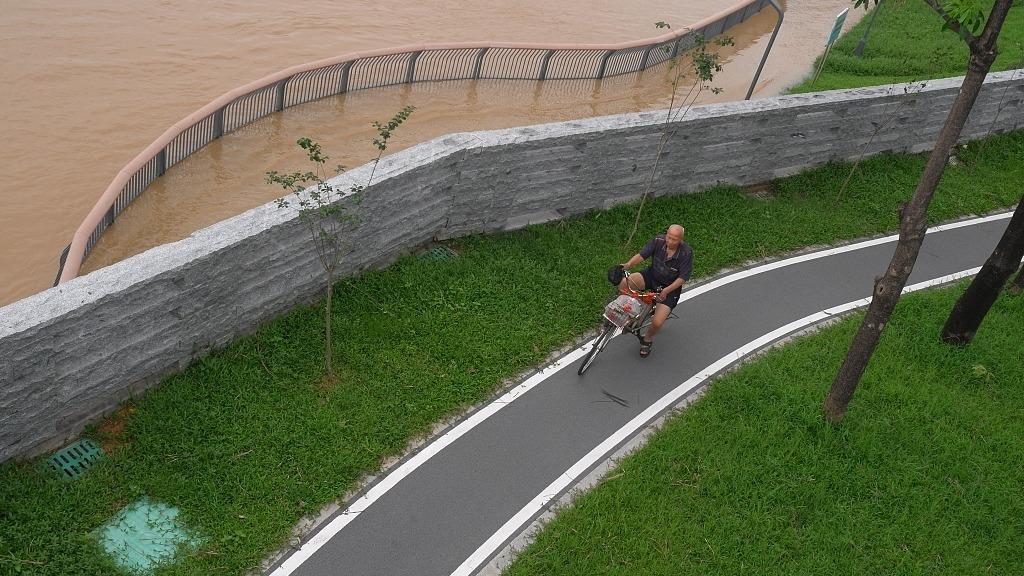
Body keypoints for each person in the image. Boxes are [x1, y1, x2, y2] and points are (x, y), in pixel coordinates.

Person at [618, 224, 693, 358]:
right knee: (625, 283)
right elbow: (642, 255)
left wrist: (666, 291)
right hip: (652, 275)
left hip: (670, 287)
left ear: (681, 240)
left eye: (674, 239)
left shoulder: (686, 253)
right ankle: (623, 311)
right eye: (668, 237)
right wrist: (628, 264)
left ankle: (647, 339)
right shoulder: (658, 241)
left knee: (658, 322)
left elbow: (683, 278)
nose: (670, 242)